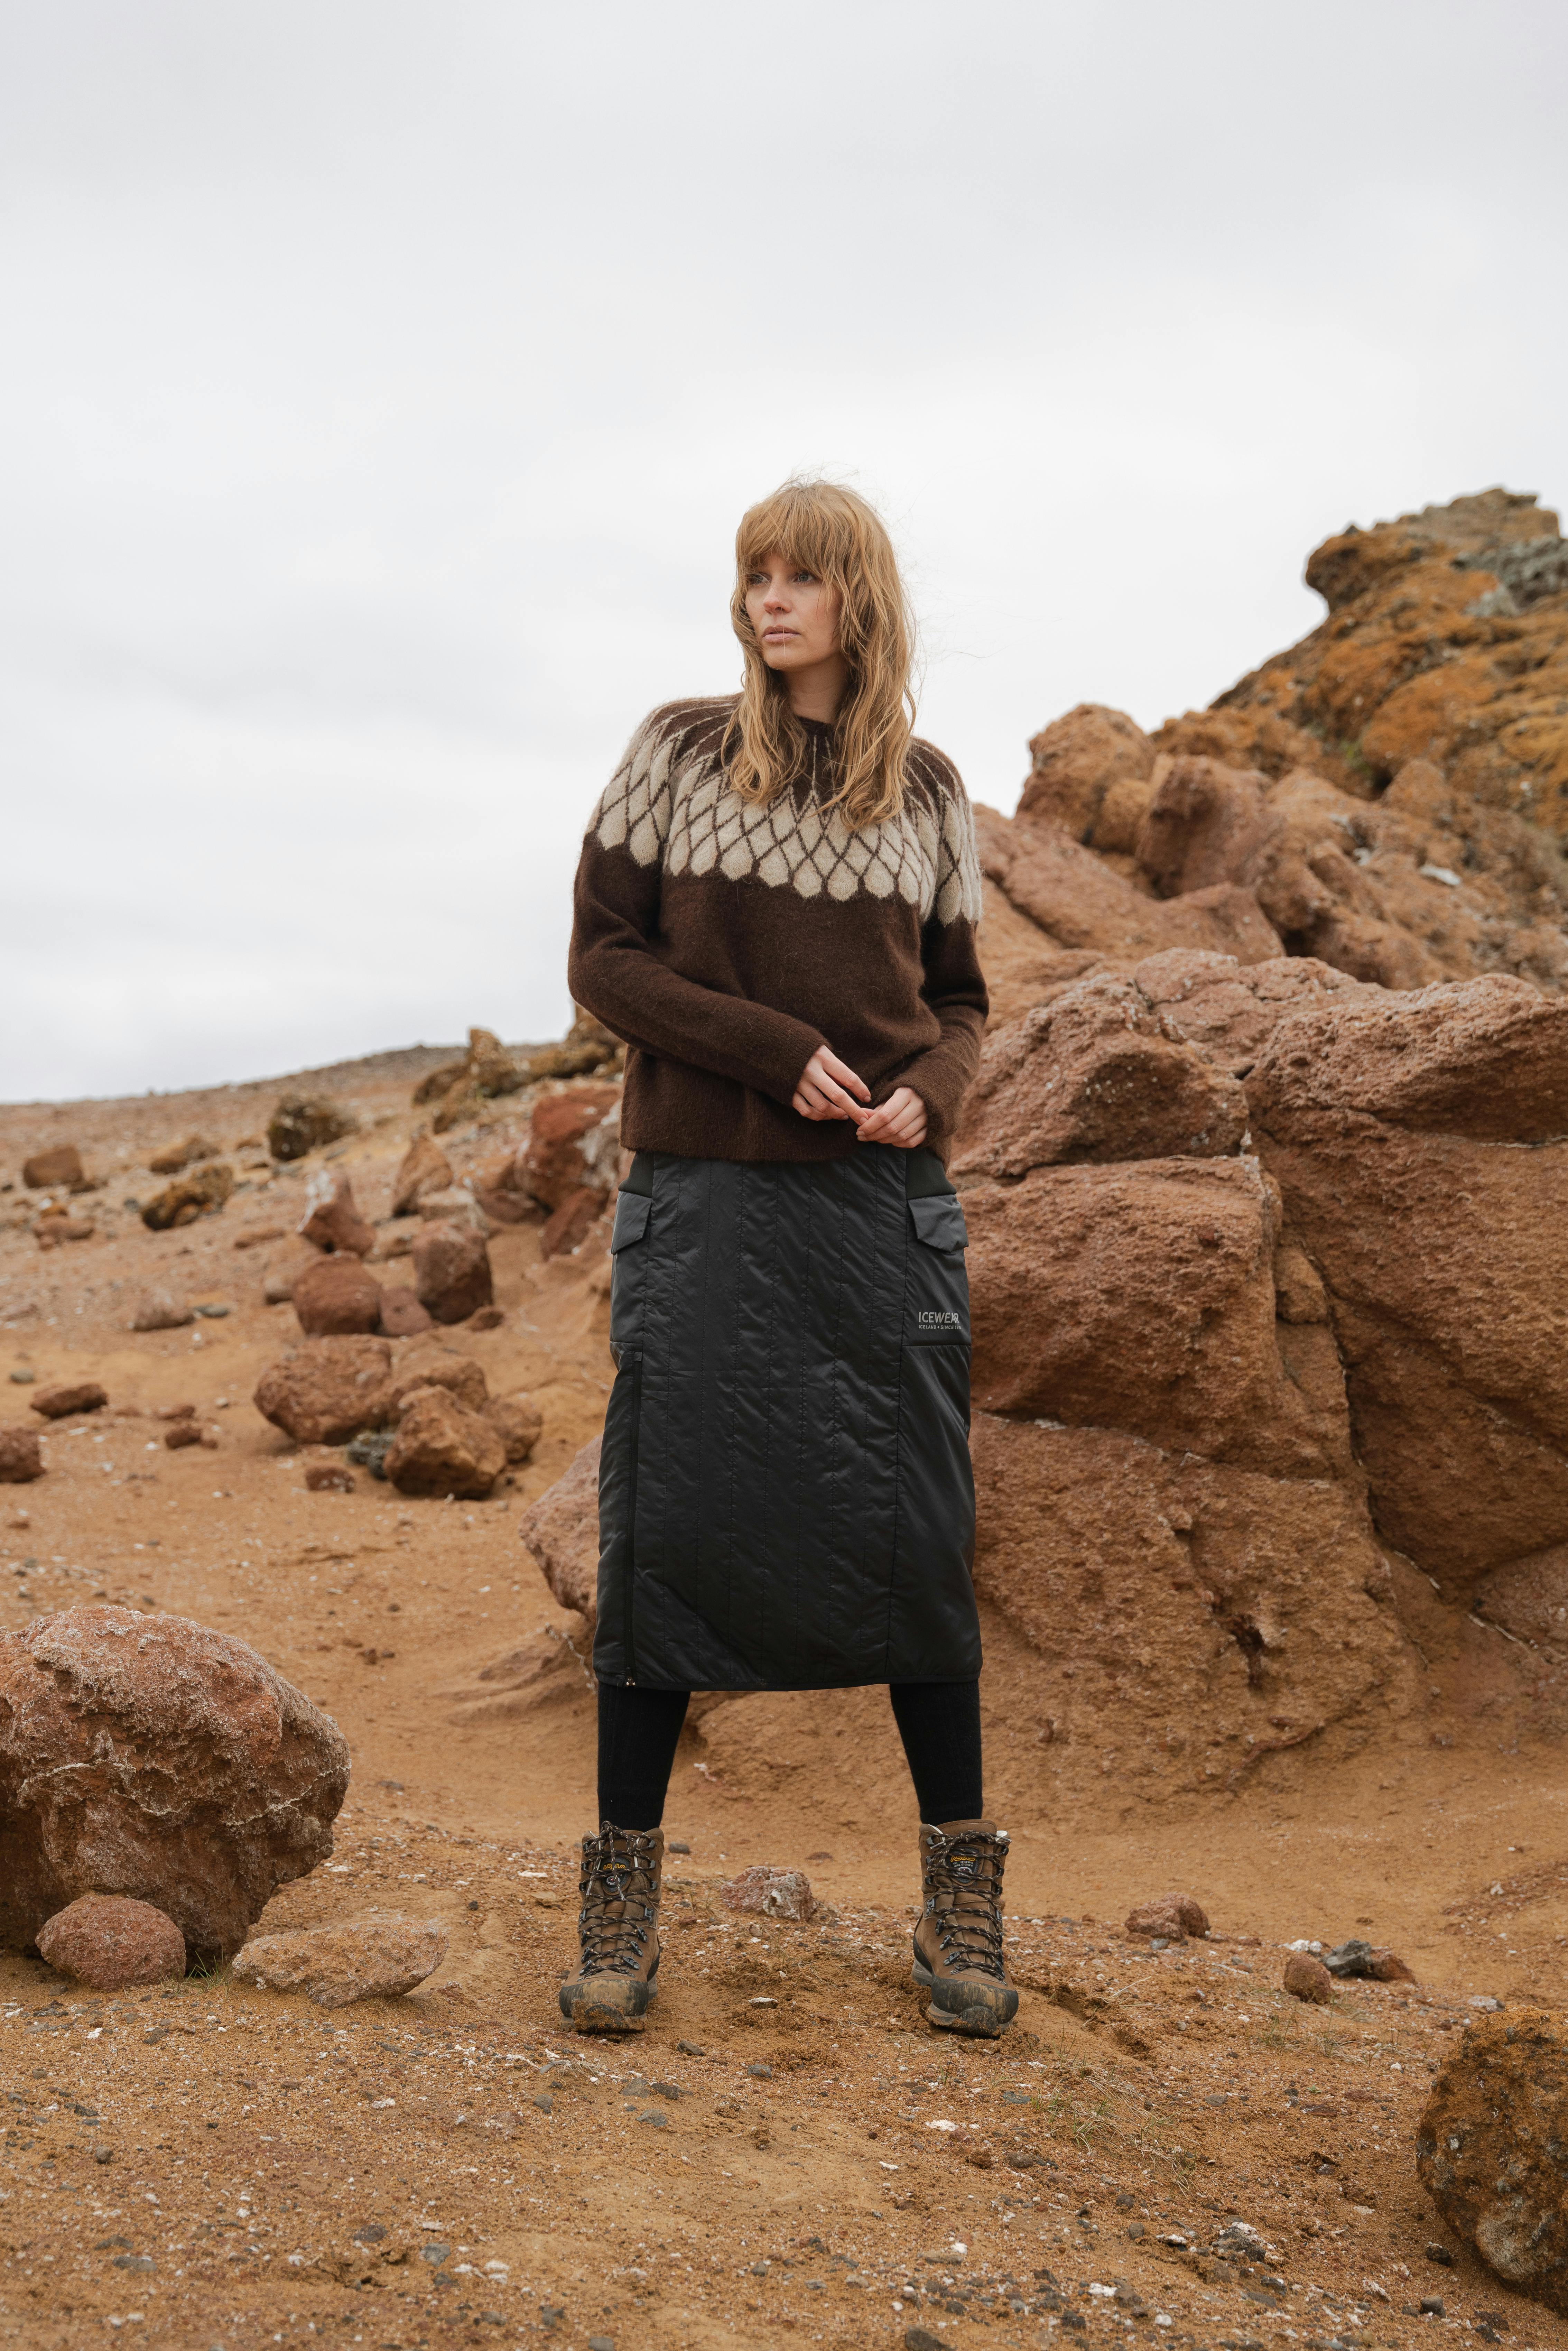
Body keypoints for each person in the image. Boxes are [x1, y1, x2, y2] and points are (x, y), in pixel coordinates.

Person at [562, 478, 1015, 2040]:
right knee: (665, 1535)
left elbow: (961, 1003)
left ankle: (959, 1886)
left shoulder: (932, 791)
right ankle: (622, 1888)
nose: (770, 601)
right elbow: (602, 959)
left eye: (801, 578)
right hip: (705, 1201)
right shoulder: (680, 751)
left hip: (877, 1216)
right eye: (754, 574)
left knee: (914, 1545)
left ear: (856, 599)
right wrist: (775, 1050)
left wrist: (927, 1091)